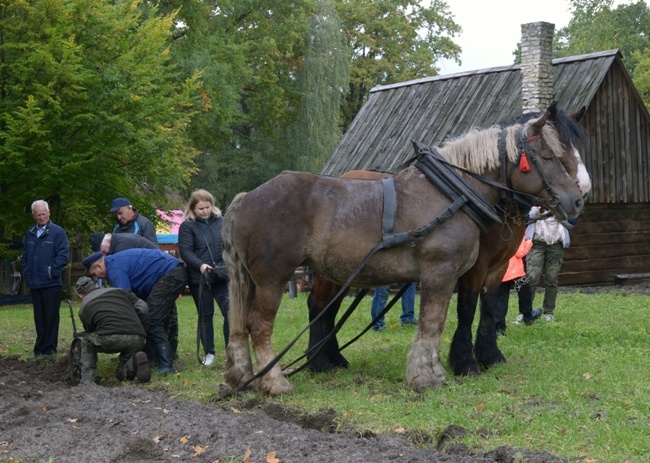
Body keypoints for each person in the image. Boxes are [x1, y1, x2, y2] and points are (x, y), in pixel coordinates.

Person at [82, 248, 187, 375]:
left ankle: (166, 366)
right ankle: (154, 358)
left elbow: (125, 300)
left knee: (153, 318)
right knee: (159, 317)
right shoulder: (115, 262)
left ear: (99, 266)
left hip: (169, 273)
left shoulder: (114, 269)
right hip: (174, 270)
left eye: (94, 274)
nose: (96, 277)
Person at [178, 189, 230, 367]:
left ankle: (231, 352)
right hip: (200, 278)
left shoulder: (222, 222)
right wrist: (200, 265)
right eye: (201, 209)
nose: (205, 211)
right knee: (205, 315)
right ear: (193, 208)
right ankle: (209, 353)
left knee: (229, 313)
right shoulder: (187, 226)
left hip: (222, 275)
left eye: (208, 207)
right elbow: (185, 251)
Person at [74, 276, 151, 384]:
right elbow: (143, 308)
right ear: (96, 285)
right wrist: (143, 331)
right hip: (137, 337)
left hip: (110, 337)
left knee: (86, 342)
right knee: (123, 368)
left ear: (80, 295)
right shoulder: (119, 291)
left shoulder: (84, 306)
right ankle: (132, 365)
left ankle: (87, 381)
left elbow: (90, 330)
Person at [21, 200, 70, 359]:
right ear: (33, 216)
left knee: (51, 317)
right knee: (39, 318)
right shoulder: (29, 233)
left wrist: (51, 272)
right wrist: (26, 271)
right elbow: (25, 256)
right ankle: (39, 350)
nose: (41, 217)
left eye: (43, 214)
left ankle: (50, 350)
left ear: (48, 213)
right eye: (38, 215)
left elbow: (63, 256)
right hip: (34, 283)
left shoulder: (58, 232)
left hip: (51, 283)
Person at [524, 206, 575, 322]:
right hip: (536, 244)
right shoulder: (535, 203)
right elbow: (526, 218)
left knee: (551, 278)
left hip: (556, 245)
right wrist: (538, 212)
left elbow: (572, 223)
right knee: (531, 278)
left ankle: (548, 312)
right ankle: (525, 312)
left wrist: (558, 214)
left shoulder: (562, 206)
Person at [494, 237, 542, 336]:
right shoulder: (517, 233)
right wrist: (529, 242)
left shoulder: (500, 233)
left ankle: (499, 328)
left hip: (501, 270)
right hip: (515, 271)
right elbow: (520, 252)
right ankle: (528, 316)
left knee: (501, 299)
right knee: (525, 292)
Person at [89, 231, 158, 254]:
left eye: (103, 250)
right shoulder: (120, 239)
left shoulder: (121, 247)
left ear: (107, 242)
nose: (105, 254)